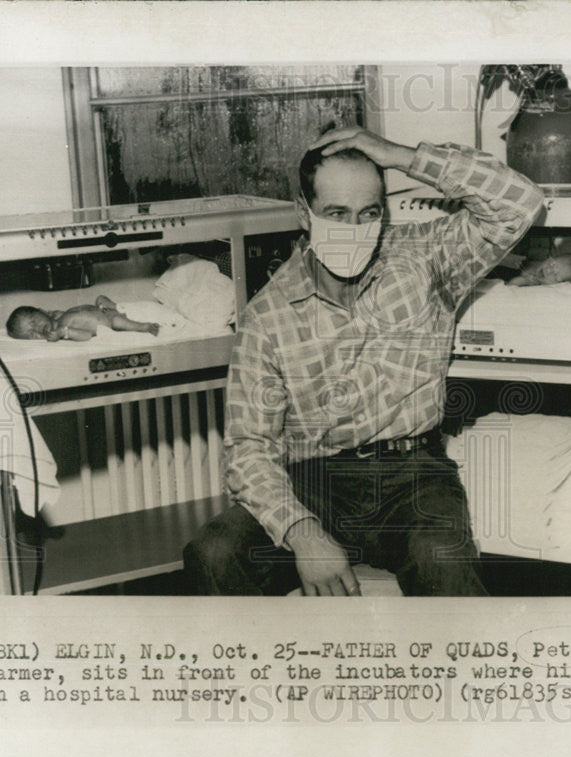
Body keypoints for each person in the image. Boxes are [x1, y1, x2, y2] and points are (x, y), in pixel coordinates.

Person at [183, 126, 544, 596]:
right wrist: (301, 531)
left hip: (412, 477)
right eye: (337, 213)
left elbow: (520, 202)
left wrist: (402, 154)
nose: (354, 230)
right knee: (215, 552)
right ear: (304, 213)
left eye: (368, 213)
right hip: (314, 479)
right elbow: (249, 445)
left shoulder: (424, 258)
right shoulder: (267, 316)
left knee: (443, 563)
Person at [6, 295, 160, 341]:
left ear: (41, 310)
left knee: (100, 298)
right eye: (32, 334)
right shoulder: (62, 331)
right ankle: (144, 327)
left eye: (34, 322)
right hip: (109, 321)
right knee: (118, 322)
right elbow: (86, 335)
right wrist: (64, 333)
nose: (38, 328)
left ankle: (116, 305)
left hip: (105, 309)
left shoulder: (58, 316)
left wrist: (54, 314)